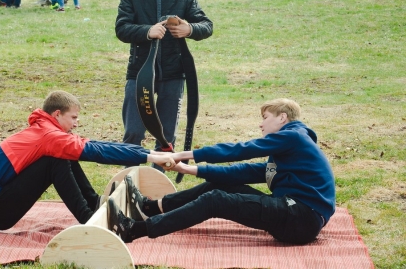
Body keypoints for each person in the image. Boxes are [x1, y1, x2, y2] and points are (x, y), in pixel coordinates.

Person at [108, 98, 336, 246]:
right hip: (295, 215)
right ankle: (149, 207)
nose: (261, 125)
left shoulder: (293, 136)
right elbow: (246, 172)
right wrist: (190, 169)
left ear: (283, 118)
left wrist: (183, 155)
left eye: (265, 118)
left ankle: (134, 230)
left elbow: (242, 150)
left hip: (301, 219)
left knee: (215, 201)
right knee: (219, 186)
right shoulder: (292, 146)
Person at [0, 90, 175, 231]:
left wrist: (151, 153)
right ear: (57, 114)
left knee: (62, 155)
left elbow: (100, 146)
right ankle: (88, 220)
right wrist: (150, 156)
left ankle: (94, 206)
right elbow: (98, 153)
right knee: (55, 160)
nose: (76, 123)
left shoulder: (47, 130)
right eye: (73, 117)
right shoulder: (49, 137)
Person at [115, 0, 213, 171]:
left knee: (167, 137)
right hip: (140, 73)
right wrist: (146, 31)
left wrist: (190, 29)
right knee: (133, 132)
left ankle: (158, 184)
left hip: (173, 73)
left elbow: (206, 25)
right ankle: (129, 181)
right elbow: (121, 28)